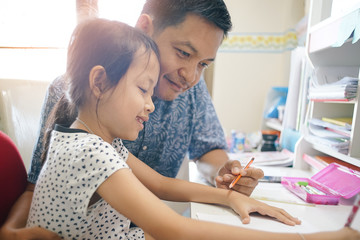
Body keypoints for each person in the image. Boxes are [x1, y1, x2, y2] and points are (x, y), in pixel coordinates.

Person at [26, 17, 360, 240]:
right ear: (99, 81)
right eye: (143, 89)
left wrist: (229, 197)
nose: (151, 103)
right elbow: (174, 228)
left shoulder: (86, 138)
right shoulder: (92, 152)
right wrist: (314, 237)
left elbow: (160, 184)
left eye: (202, 64)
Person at [1, 0, 257, 238]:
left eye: (204, 64)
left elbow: (190, 162)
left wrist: (226, 182)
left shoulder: (188, 92)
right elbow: (36, 187)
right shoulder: (78, 104)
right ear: (145, 27)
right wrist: (10, 231)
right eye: (183, 53)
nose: (190, 76)